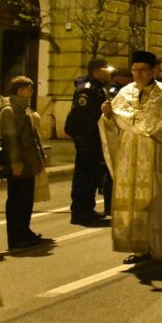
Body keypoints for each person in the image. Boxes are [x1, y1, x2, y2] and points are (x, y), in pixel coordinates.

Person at [99, 50, 162, 264]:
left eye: (142, 70)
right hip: (129, 155)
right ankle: (139, 247)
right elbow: (116, 124)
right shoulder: (125, 93)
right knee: (134, 203)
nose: (138, 74)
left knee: (156, 200)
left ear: (153, 71)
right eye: (134, 70)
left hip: (156, 153)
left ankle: (161, 245)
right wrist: (107, 115)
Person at [0, 75, 51, 251]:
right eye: (29, 88)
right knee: (17, 201)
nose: (32, 91)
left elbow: (34, 135)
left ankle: (25, 231)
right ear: (19, 90)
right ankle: (16, 237)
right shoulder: (9, 110)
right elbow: (10, 139)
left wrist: (41, 155)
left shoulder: (24, 108)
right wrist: (15, 162)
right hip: (20, 163)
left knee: (26, 200)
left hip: (29, 161)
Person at [65, 57, 113, 225]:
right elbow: (79, 117)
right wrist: (81, 139)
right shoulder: (87, 90)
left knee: (92, 177)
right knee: (83, 178)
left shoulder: (99, 88)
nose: (109, 73)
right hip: (87, 140)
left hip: (95, 140)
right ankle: (79, 212)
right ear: (97, 71)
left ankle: (88, 209)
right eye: (106, 69)